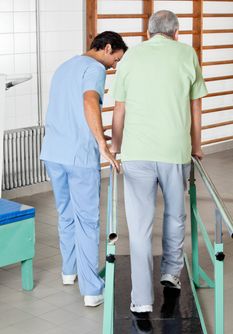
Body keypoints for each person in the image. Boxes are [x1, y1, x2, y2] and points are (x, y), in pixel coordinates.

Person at [110, 10, 207, 314]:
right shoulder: (187, 54)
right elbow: (195, 106)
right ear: (176, 32)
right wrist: (197, 145)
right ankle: (170, 273)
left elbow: (119, 110)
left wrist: (115, 147)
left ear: (149, 32)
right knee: (175, 214)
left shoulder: (130, 58)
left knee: (138, 228)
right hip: (174, 151)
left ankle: (141, 301)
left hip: (137, 152)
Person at [40, 31, 127, 307]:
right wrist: (102, 143)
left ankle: (69, 272)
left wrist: (98, 134)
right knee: (87, 221)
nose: (114, 66)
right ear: (107, 48)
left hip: (53, 152)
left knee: (65, 214)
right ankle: (91, 290)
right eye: (115, 59)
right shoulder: (94, 68)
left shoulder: (65, 67)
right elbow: (90, 101)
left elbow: (66, 111)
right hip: (79, 157)